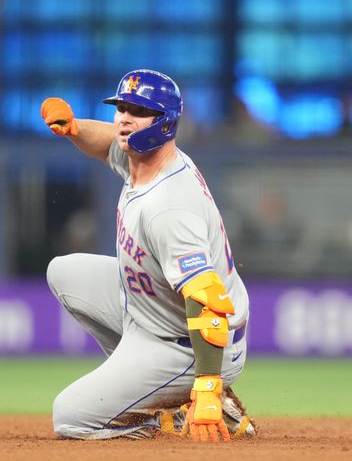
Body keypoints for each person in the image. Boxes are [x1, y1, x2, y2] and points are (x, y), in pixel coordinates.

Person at [39, 69, 256, 442]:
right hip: (153, 315)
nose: (124, 117)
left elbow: (207, 298)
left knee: (69, 417)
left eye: (138, 110)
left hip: (188, 345)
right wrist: (74, 127)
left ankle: (175, 409)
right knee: (64, 272)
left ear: (165, 123)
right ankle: (147, 386)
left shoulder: (169, 206)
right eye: (121, 107)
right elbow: (108, 140)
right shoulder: (142, 157)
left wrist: (207, 384)